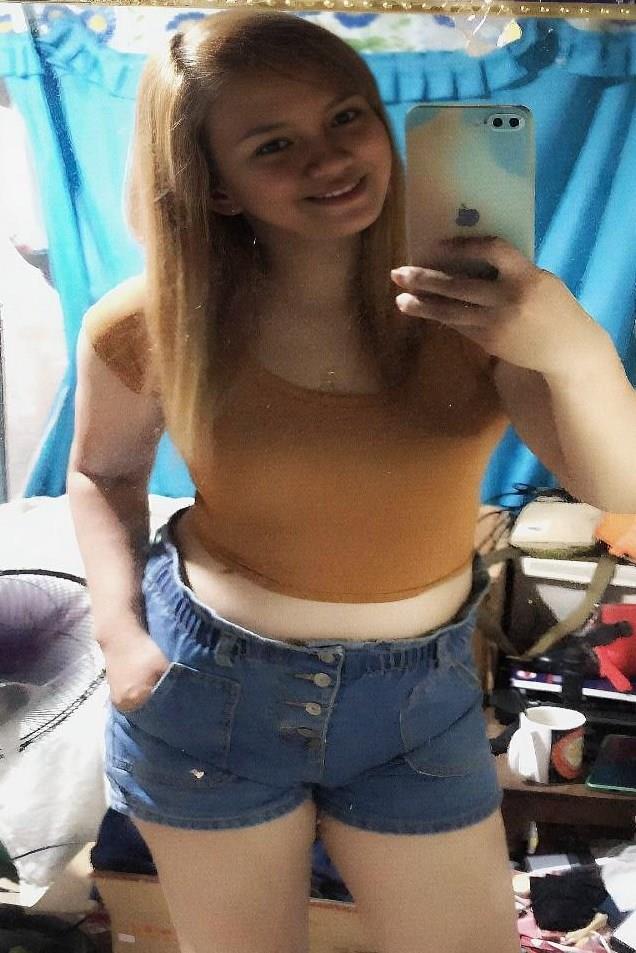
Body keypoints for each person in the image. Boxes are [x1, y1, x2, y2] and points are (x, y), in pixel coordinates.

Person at [67, 10, 636, 953]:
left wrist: (572, 347)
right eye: (274, 144)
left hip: (418, 704)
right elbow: (101, 473)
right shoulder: (147, 320)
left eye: (345, 116)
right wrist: (119, 635)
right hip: (211, 692)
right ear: (214, 186)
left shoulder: (482, 309)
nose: (330, 158)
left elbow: (621, 485)